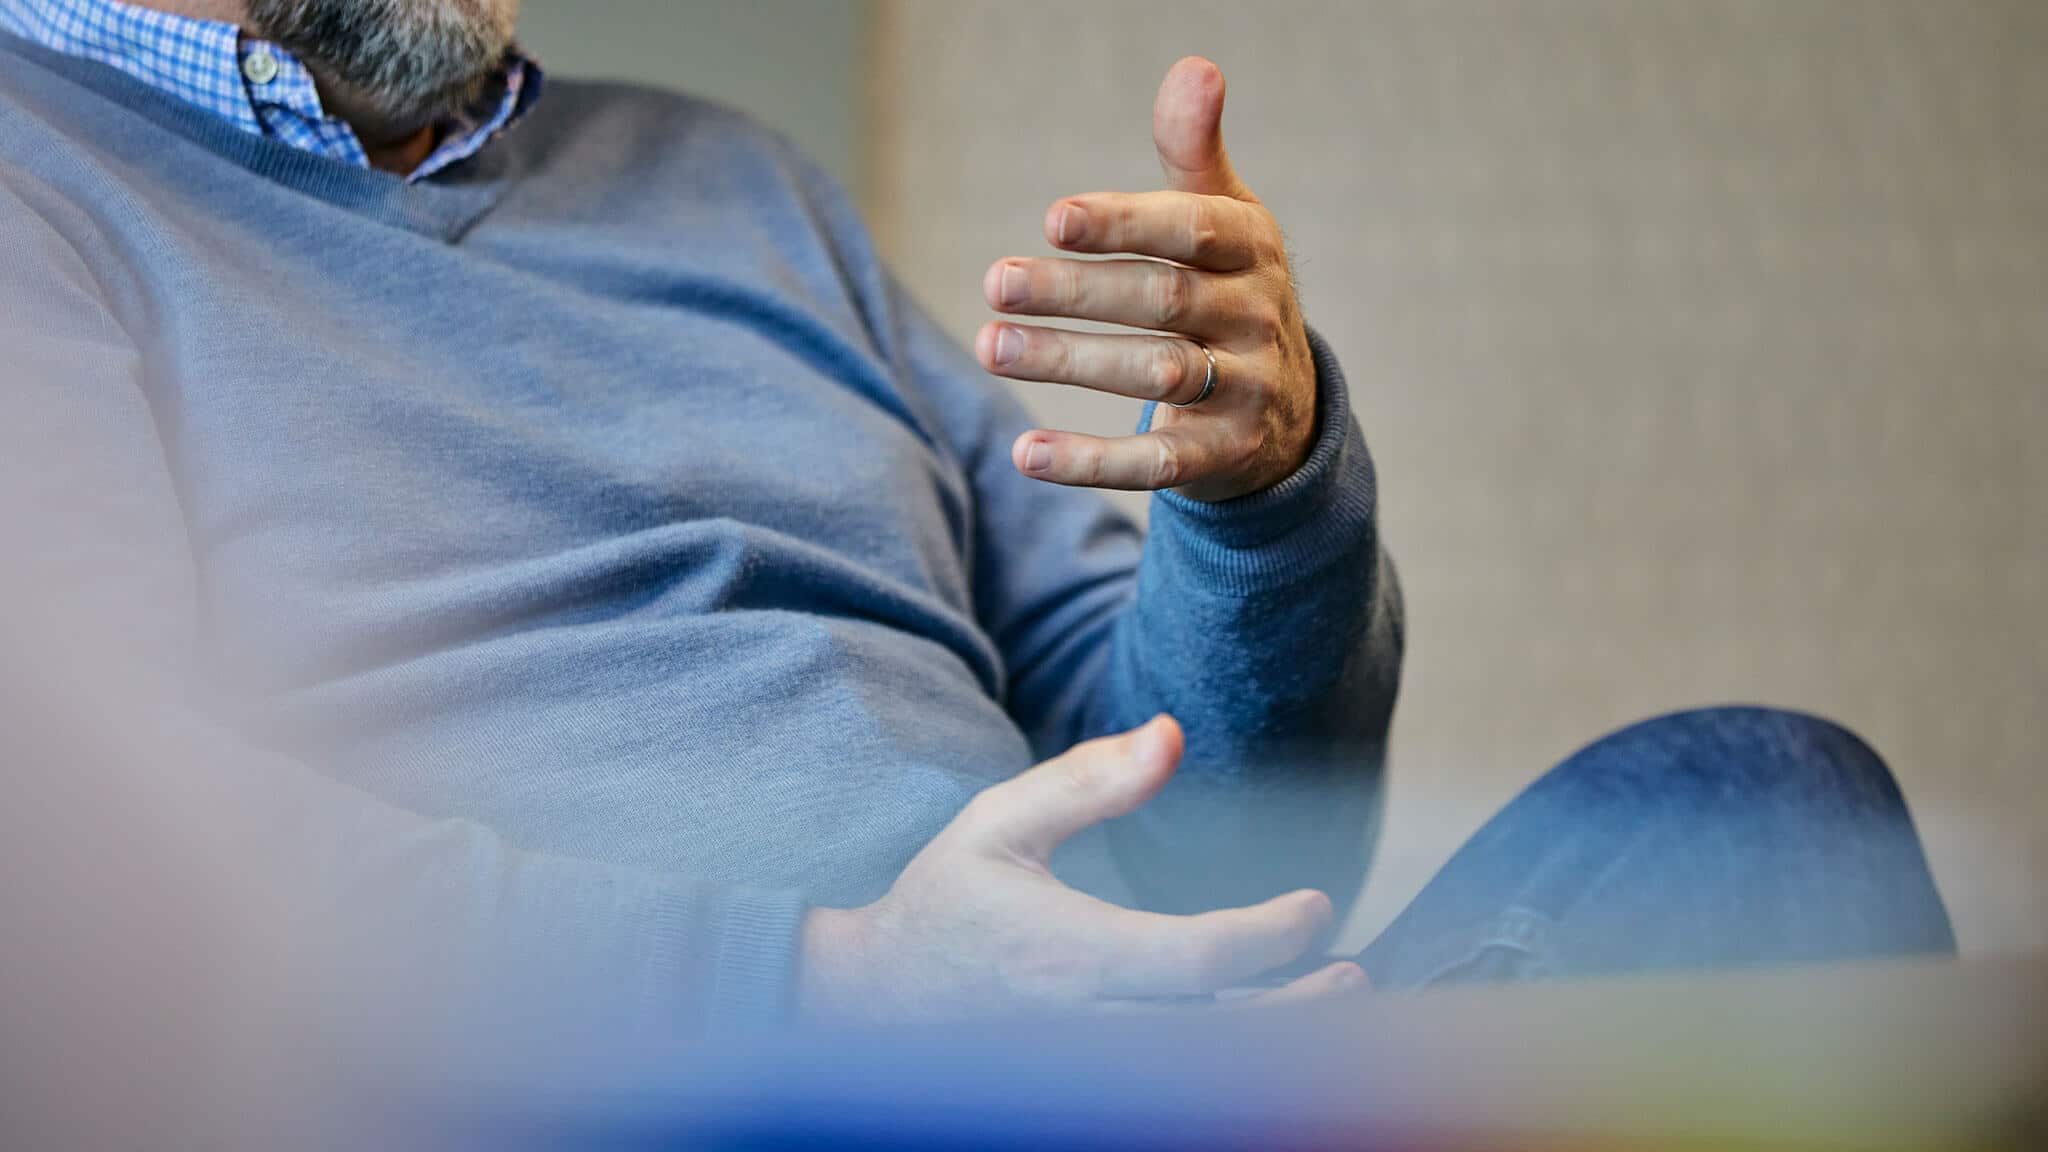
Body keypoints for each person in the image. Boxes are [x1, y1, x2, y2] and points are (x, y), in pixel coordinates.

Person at [0, 0, 1954, 1048]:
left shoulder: (730, 179)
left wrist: (1256, 496)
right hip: (677, 1098)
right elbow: (98, 883)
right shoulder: (38, 194)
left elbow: (1213, 844)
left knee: (1753, 803)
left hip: (1126, 1078)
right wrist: (834, 987)